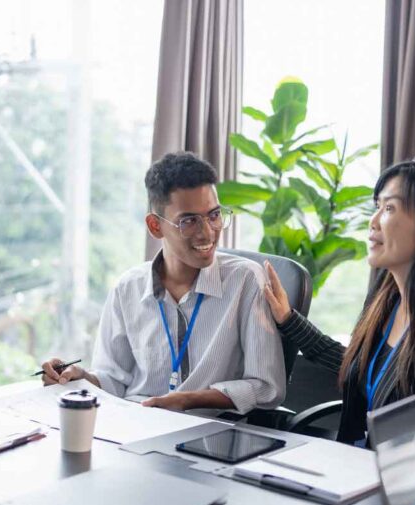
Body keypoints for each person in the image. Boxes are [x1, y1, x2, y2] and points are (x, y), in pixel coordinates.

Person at [264, 158, 415, 459]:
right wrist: (289, 320)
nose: (374, 221)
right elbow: (358, 366)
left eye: (389, 208)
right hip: (356, 471)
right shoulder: (386, 299)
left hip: (405, 493)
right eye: (376, 206)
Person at [40, 151, 286, 413]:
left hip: (213, 434)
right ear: (155, 226)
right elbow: (114, 380)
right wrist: (80, 377)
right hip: (136, 425)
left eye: (214, 215)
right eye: (189, 221)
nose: (207, 233)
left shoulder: (245, 280)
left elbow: (267, 388)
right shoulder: (128, 288)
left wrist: (189, 400)